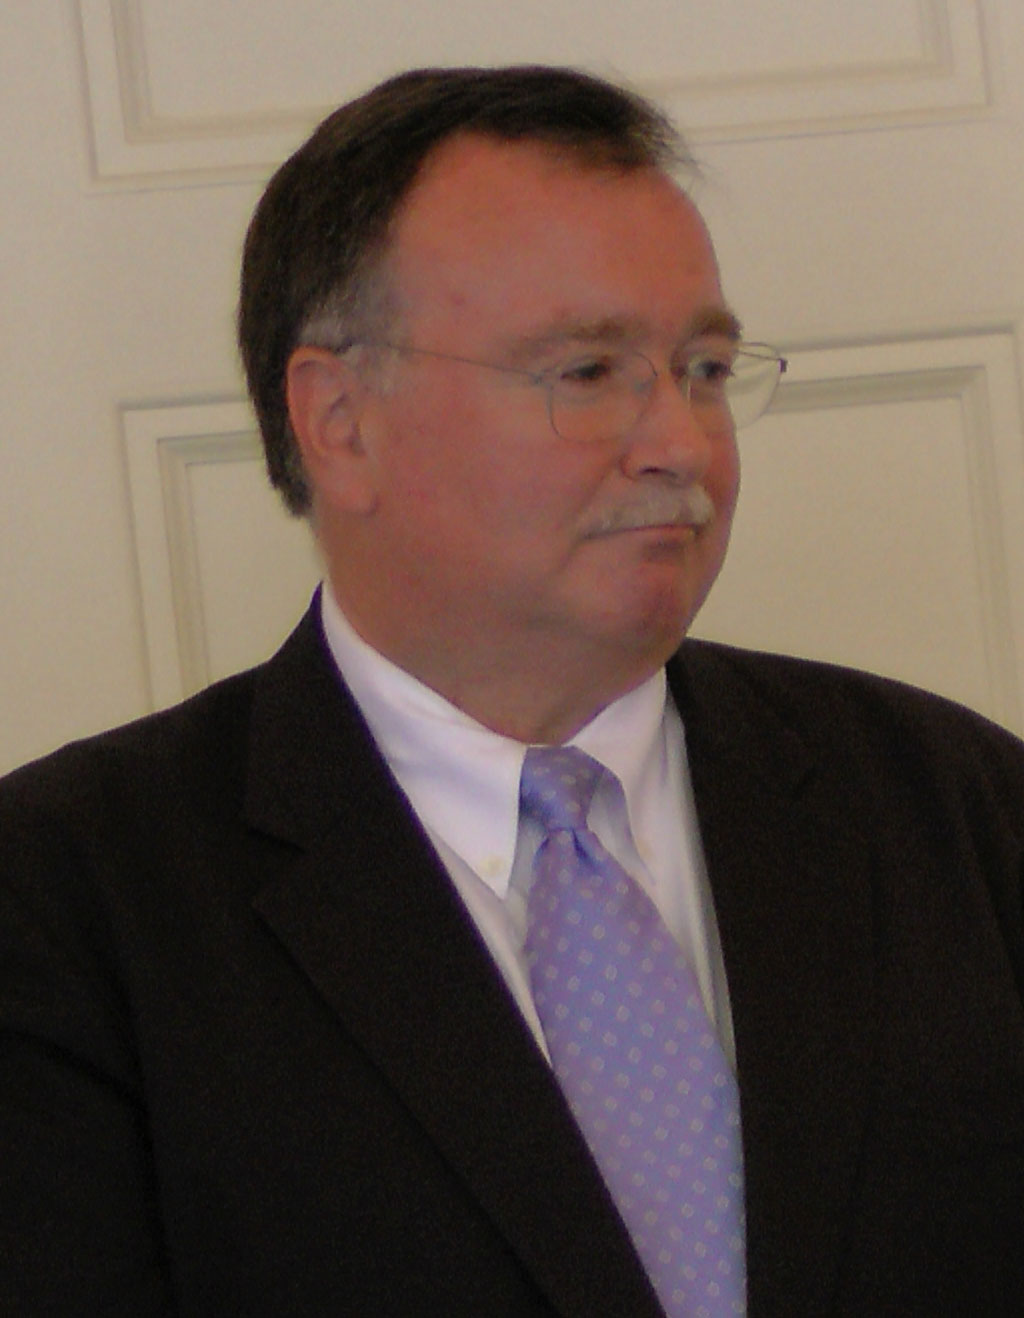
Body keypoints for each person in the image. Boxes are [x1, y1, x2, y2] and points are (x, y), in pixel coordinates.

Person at [2, 65, 1023, 1318]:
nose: (681, 445)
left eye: (703, 368)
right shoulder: (64, 901)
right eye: (587, 371)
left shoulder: (956, 808)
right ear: (339, 421)